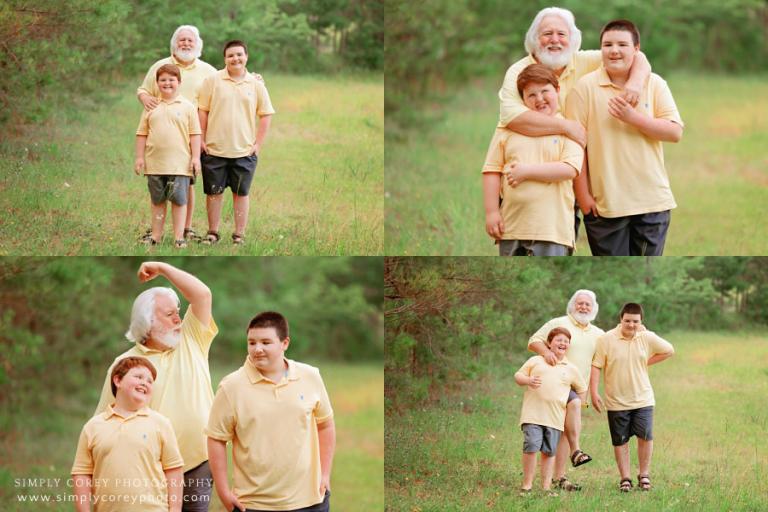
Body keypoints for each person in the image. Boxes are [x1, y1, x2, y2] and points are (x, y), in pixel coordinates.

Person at [497, 7, 651, 239]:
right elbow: (513, 118)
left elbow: (636, 56)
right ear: (534, 40)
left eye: (562, 34)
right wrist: (567, 127)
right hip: (526, 175)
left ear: (572, 39)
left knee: (561, 242)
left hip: (573, 171)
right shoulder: (518, 71)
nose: (555, 40)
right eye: (547, 33)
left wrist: (636, 83)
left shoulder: (584, 61)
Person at [95, 262, 217, 511]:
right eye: (169, 314)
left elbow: (203, 295)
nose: (177, 319)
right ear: (148, 322)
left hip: (197, 464)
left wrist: (161, 268)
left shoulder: (191, 338)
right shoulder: (124, 363)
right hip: (148, 469)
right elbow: (106, 421)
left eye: (178, 311)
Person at [565, 19, 684, 255]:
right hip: (605, 205)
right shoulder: (584, 89)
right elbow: (576, 147)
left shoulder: (655, 84)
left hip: (652, 201)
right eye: (608, 45)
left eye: (622, 44)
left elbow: (675, 132)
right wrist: (584, 196)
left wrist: (633, 118)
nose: (614, 50)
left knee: (645, 275)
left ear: (636, 50)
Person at [205, 311, 336, 512]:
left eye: (266, 342)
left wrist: (325, 474)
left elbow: (325, 424)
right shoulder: (231, 387)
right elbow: (216, 439)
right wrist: (223, 491)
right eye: (251, 342)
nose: (257, 349)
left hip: (311, 501)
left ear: (285, 343)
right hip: (255, 504)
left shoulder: (310, 376)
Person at [482, 64, 582, 255]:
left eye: (545, 91)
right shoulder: (508, 128)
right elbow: (491, 170)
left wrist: (526, 172)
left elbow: (569, 169)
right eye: (531, 95)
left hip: (551, 229)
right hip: (512, 226)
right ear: (523, 100)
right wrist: (492, 212)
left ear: (558, 90)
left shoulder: (569, 128)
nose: (540, 99)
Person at [72, 356, 184, 512]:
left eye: (150, 381)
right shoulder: (93, 427)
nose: (145, 382)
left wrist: (175, 510)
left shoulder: (161, 424)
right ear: (117, 380)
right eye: (138, 377)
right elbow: (81, 475)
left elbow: (174, 471)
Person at [137, 25, 217, 242]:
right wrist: (145, 98)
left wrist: (254, 79)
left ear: (198, 44)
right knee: (162, 189)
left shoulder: (208, 71)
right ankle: (158, 232)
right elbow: (143, 89)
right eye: (181, 40)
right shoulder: (161, 66)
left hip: (192, 132)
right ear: (174, 43)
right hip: (163, 133)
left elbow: (228, 80)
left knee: (186, 182)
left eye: (190, 40)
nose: (186, 44)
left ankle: (185, 229)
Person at [590, 302, 675, 492]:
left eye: (635, 321)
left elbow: (669, 350)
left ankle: (644, 475)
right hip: (616, 401)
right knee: (620, 440)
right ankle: (625, 478)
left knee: (645, 436)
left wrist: (646, 362)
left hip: (643, 399)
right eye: (627, 320)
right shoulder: (606, 339)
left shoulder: (646, 337)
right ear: (621, 320)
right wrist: (594, 392)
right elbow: (596, 365)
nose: (631, 325)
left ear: (641, 321)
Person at [197, 40, 275, 246]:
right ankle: (212, 232)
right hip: (214, 148)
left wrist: (257, 144)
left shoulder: (256, 84)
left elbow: (266, 115)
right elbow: (202, 111)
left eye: (239, 54)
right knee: (214, 193)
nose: (235, 58)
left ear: (246, 57)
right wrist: (202, 139)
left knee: (241, 194)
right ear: (225, 59)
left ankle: (239, 234)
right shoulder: (212, 80)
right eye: (231, 55)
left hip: (244, 150)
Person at [527, 290, 604, 491]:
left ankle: (559, 477)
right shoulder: (559, 323)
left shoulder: (599, 334)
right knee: (558, 429)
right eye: (580, 303)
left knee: (561, 433)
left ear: (594, 309)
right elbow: (534, 340)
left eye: (588, 304)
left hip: (577, 388)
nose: (583, 307)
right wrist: (545, 352)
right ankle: (576, 451)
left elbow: (609, 352)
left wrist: (639, 331)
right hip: (554, 384)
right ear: (572, 305)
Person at [135, 64, 202, 248]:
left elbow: (195, 134)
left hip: (180, 165)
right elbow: (141, 133)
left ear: (179, 82)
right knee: (157, 201)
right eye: (163, 80)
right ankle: (156, 235)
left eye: (171, 80)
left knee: (179, 201)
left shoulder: (188, 107)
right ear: (157, 83)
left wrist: (196, 158)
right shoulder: (151, 106)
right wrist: (139, 158)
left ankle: (179, 237)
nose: (167, 83)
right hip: (155, 163)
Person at [514, 327, 587, 496]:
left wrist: (575, 408)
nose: (562, 343)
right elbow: (518, 376)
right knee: (531, 447)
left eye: (566, 341)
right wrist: (528, 380)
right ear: (549, 343)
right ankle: (527, 486)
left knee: (549, 452)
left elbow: (582, 389)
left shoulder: (571, 368)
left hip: (555, 418)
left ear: (569, 345)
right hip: (533, 415)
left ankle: (546, 487)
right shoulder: (536, 361)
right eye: (558, 340)